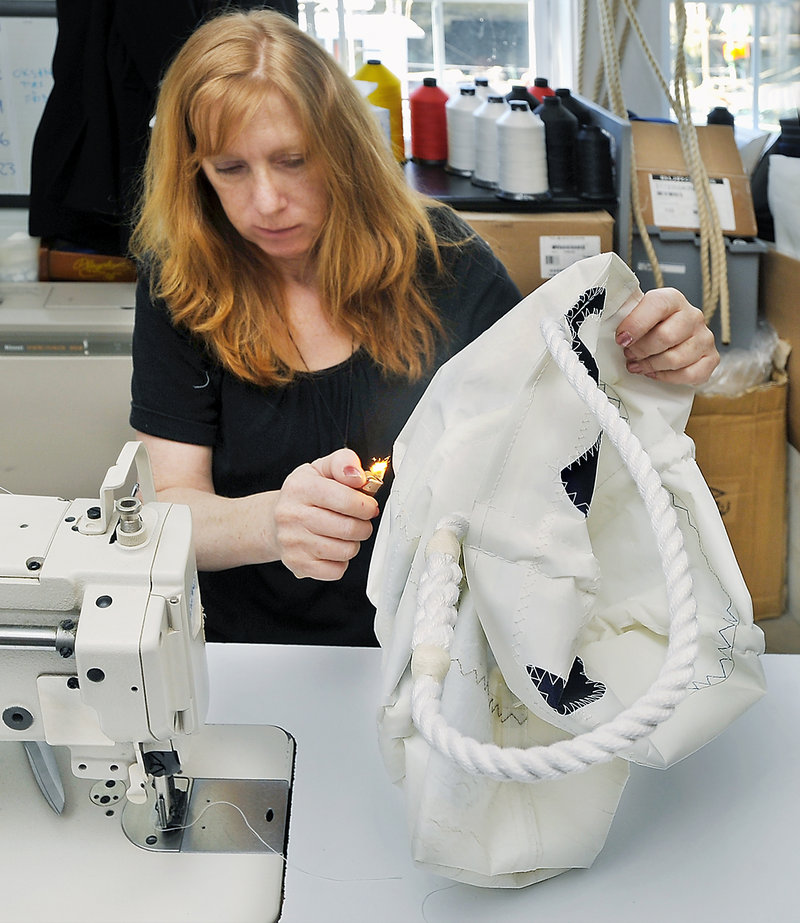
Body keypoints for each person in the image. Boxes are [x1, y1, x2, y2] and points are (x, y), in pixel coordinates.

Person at [129, 9, 719, 646]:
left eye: (293, 160)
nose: (267, 201)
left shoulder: (446, 263)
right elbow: (167, 508)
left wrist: (650, 361)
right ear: (195, 171)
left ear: (343, 149)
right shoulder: (180, 285)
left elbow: (562, 438)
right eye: (231, 169)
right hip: (252, 650)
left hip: (441, 644)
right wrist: (272, 522)